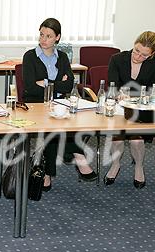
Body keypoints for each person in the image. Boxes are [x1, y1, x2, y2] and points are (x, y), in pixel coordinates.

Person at [22, 18, 97, 190]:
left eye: (48, 36)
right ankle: (78, 155)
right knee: (53, 126)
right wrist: (57, 82)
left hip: (59, 103)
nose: (43, 39)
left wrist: (46, 82)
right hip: (36, 105)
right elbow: (30, 87)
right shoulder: (30, 56)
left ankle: (48, 173)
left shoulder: (62, 57)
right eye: (41, 34)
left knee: (63, 123)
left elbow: (69, 85)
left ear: (57, 37)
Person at [105, 31, 155, 188]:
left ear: (152, 54)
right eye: (137, 51)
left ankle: (139, 166)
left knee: (136, 138)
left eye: (144, 55)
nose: (137, 57)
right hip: (120, 108)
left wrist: (136, 98)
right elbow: (112, 86)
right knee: (117, 135)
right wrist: (119, 95)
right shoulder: (117, 59)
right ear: (134, 44)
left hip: (143, 109)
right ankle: (115, 164)